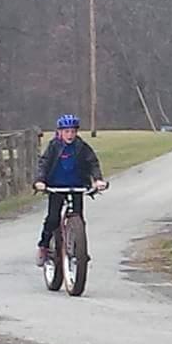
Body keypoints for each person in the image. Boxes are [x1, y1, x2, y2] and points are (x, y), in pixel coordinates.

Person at [33, 114, 107, 266]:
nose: (70, 135)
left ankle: (79, 249)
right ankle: (44, 245)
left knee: (78, 219)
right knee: (53, 219)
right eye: (66, 131)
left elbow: (93, 163)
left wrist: (98, 179)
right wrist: (40, 181)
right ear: (59, 132)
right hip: (56, 187)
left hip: (77, 186)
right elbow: (44, 164)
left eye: (73, 131)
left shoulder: (81, 147)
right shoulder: (54, 146)